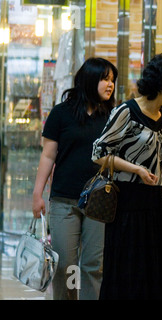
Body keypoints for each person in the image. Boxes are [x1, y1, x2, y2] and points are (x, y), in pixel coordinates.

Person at [91, 53, 162, 300]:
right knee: (128, 273)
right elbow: (98, 153)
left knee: (161, 274)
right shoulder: (125, 112)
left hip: (158, 205)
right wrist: (136, 169)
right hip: (128, 204)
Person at [32, 57, 118, 300]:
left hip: (100, 203)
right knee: (66, 266)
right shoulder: (61, 114)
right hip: (64, 200)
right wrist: (37, 194)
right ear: (89, 80)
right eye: (104, 79)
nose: (110, 85)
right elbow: (48, 156)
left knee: (94, 265)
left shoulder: (112, 116)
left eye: (112, 80)